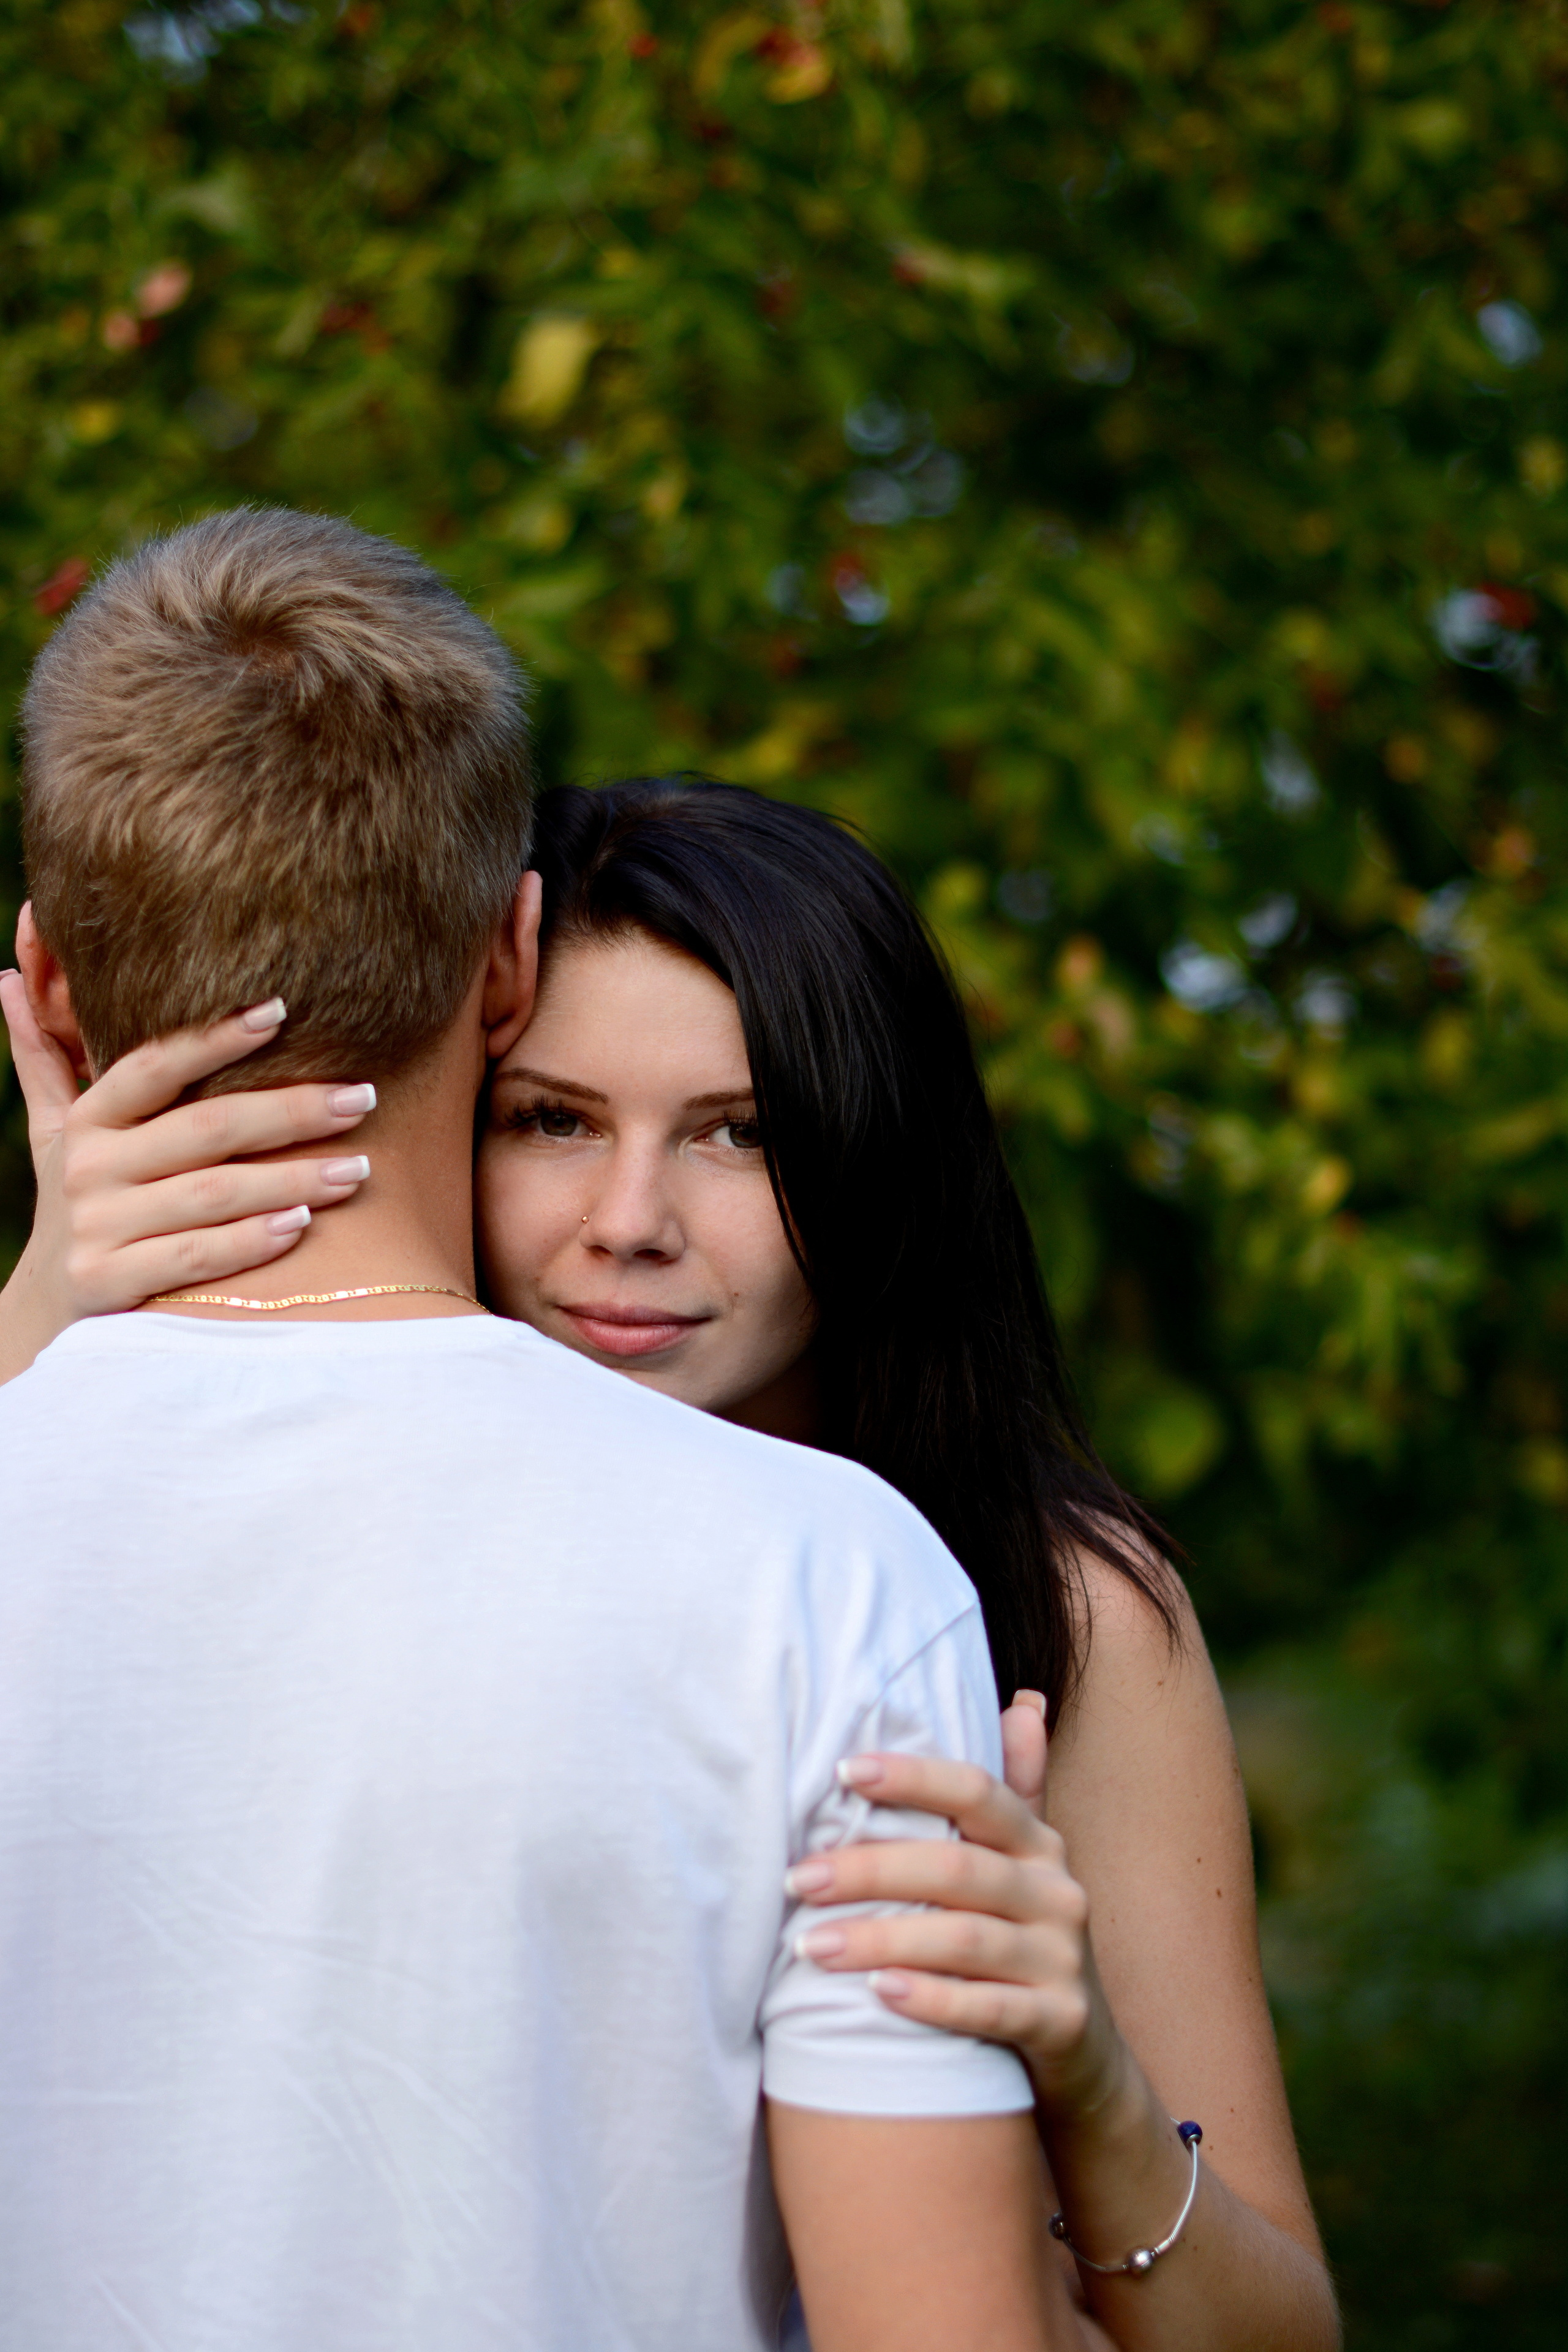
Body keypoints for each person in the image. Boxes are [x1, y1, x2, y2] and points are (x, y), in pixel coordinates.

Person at [0, 771, 1341, 2351]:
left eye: (738, 1134)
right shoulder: (306, 1498)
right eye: (552, 1120)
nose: (630, 1221)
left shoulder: (1064, 1606)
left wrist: (1090, 2082)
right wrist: (49, 1302)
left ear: (864, 1154)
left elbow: (1289, 2334)